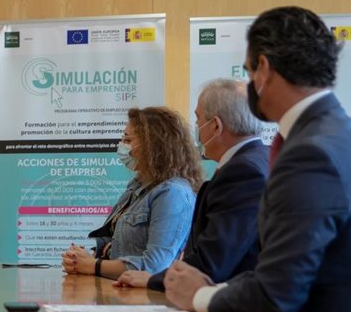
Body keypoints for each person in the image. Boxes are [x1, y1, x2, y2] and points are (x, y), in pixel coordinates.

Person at [165, 6, 351, 312]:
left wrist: (198, 296)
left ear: (263, 69)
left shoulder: (311, 153)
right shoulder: (335, 132)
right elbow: (285, 269)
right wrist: (214, 290)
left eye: (249, 72)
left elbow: (277, 293)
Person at [115, 79, 268, 291]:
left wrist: (152, 280)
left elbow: (213, 261)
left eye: (198, 119)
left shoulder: (243, 171)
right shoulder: (258, 159)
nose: (196, 128)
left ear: (215, 125)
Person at [62, 107, 203, 279]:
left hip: (147, 295)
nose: (121, 145)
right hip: (119, 290)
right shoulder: (137, 186)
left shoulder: (173, 193)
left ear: (154, 146)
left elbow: (154, 267)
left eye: (128, 140)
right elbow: (117, 242)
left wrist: (93, 265)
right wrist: (83, 257)